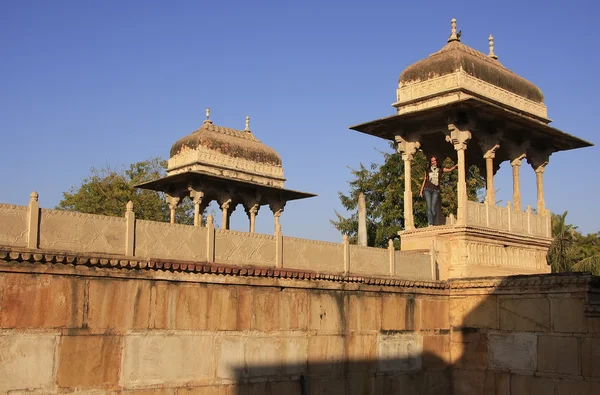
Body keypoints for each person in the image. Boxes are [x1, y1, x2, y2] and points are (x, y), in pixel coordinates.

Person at [419, 156, 458, 226]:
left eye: (434, 161)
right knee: (429, 207)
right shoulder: (428, 170)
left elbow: (448, 170)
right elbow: (425, 180)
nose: (433, 162)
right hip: (427, 189)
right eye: (432, 161)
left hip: (435, 190)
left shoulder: (440, 169)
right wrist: (421, 191)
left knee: (433, 209)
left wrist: (454, 167)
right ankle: (430, 223)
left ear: (437, 161)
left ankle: (433, 221)